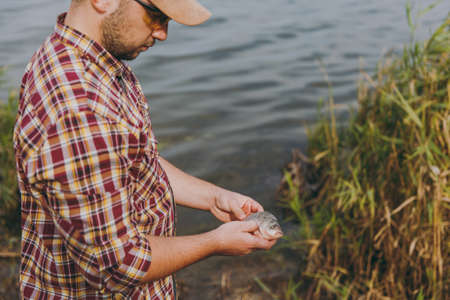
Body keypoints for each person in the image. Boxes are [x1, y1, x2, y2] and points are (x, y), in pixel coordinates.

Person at [13, 0, 280, 299]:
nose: (163, 33)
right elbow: (119, 265)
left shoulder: (88, 61)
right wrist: (214, 242)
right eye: (156, 15)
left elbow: (134, 160)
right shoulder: (80, 110)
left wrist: (213, 197)